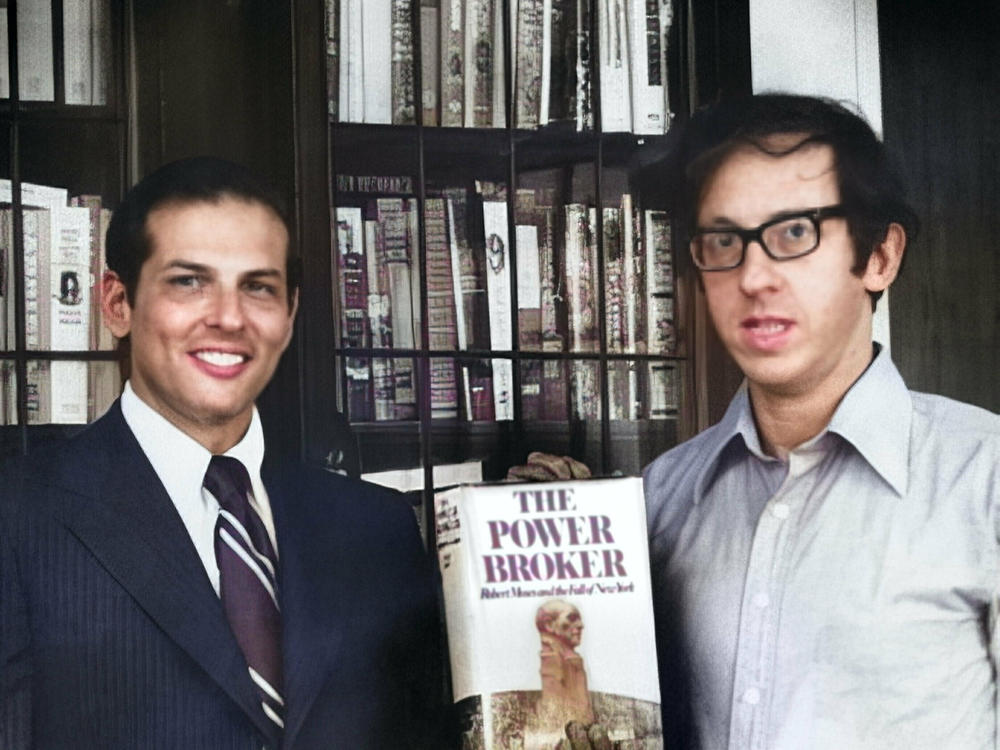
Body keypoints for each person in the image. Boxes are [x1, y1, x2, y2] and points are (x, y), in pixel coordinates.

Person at [0, 157, 443, 749]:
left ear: (288, 316)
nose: (229, 319)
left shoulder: (378, 528)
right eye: (189, 281)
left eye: (258, 287)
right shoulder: (18, 516)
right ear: (117, 303)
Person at [643, 93, 1000, 749]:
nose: (754, 276)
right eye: (723, 240)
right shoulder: (661, 497)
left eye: (794, 233)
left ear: (880, 257)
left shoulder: (984, 478)